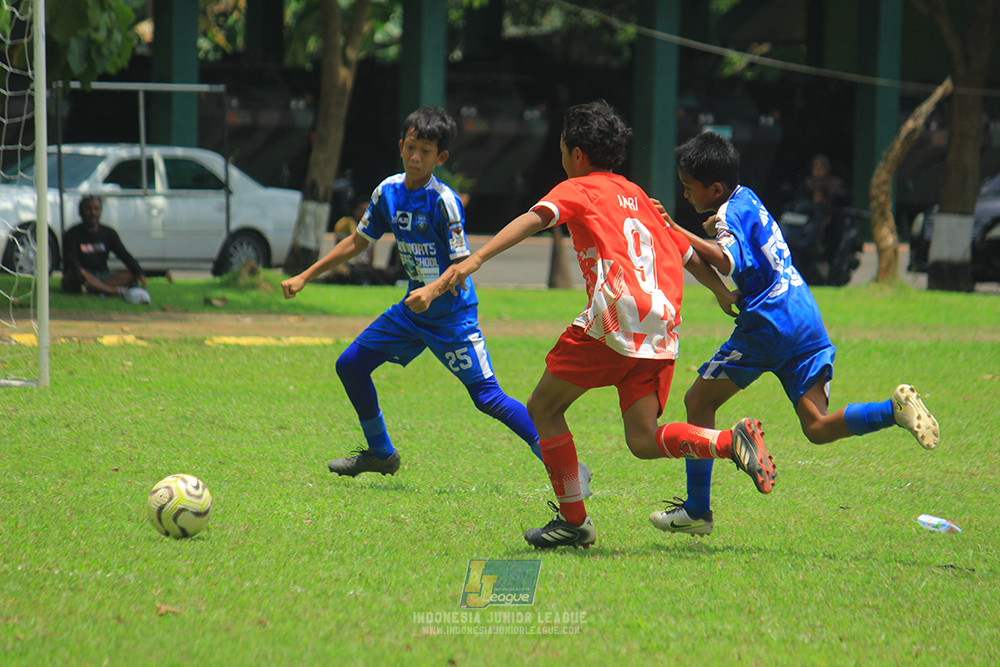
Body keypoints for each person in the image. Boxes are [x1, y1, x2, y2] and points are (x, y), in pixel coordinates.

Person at [407, 101, 776, 551]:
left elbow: (533, 220)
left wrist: (474, 259)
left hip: (615, 315)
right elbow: (686, 252)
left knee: (544, 408)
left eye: (563, 149)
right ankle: (728, 441)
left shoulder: (578, 188)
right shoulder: (639, 195)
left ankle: (574, 521)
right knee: (642, 438)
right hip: (662, 324)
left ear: (577, 154)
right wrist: (720, 291)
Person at [280, 106, 591, 492]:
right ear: (401, 146)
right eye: (411, 147)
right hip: (413, 311)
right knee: (350, 366)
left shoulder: (444, 200)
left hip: (452, 315)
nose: (415, 157)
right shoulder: (387, 192)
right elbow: (358, 242)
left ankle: (567, 466)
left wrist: (431, 291)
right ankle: (381, 452)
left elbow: (462, 264)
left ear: (440, 157)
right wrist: (306, 275)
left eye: (425, 151)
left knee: (487, 397)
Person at [648, 131, 939, 537]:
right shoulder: (747, 198)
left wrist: (678, 229)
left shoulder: (728, 215)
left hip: (769, 324)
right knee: (816, 426)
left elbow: (727, 260)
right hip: (804, 314)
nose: (684, 193)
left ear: (713, 189)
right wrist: (712, 235)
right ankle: (894, 410)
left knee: (698, 400)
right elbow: (734, 243)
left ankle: (697, 510)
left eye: (688, 186)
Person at [61, 195, 148, 299]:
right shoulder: (71, 234)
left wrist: (139, 272)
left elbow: (123, 254)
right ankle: (112, 290)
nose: (93, 213)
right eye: (88, 209)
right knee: (79, 274)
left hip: (102, 275)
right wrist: (83, 273)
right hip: (80, 275)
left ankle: (95, 289)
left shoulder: (109, 233)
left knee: (131, 276)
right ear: (80, 212)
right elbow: (72, 261)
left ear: (101, 211)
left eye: (96, 209)